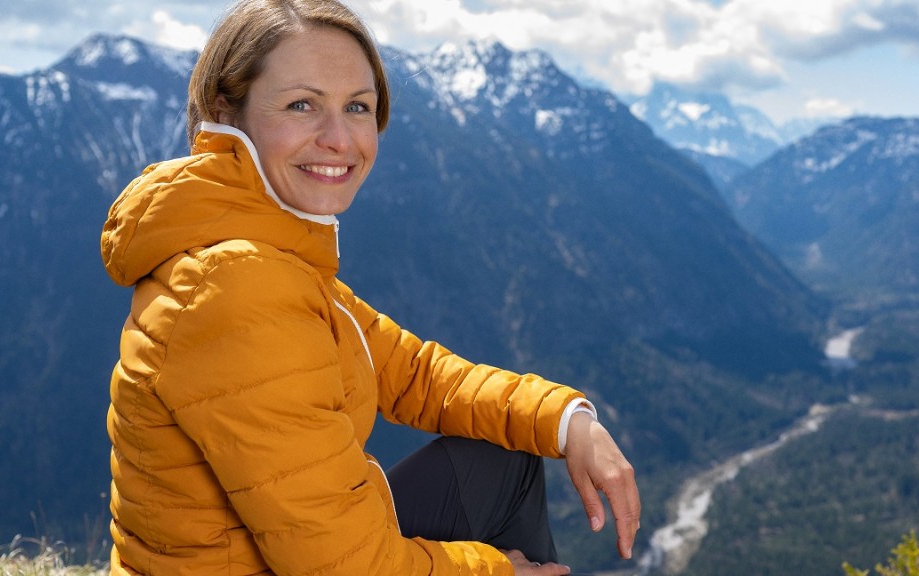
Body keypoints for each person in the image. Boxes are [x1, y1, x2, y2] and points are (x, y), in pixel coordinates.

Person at [98, 0, 639, 574]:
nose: (339, 138)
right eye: (301, 104)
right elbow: (345, 568)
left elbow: (415, 375)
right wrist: (497, 569)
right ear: (225, 112)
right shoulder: (235, 287)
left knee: (507, 456)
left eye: (358, 107)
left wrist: (567, 419)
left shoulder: (266, 250)